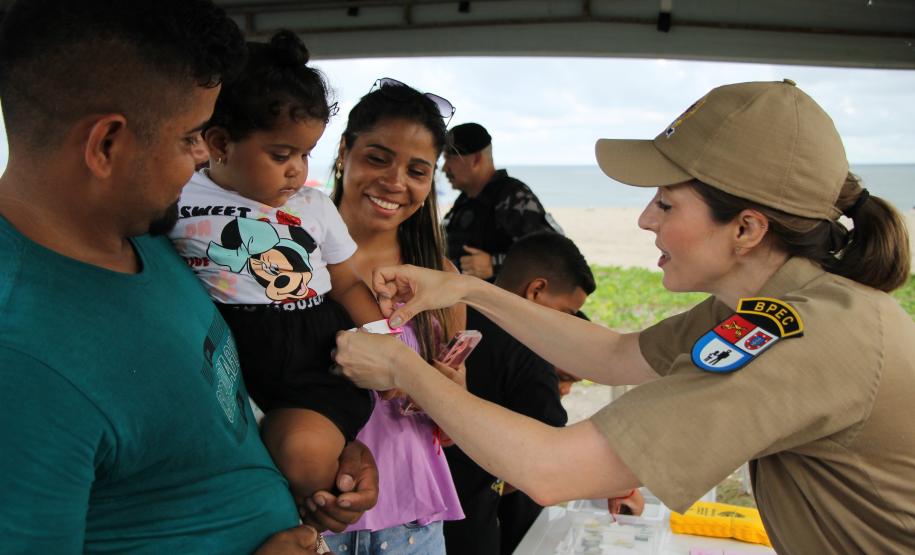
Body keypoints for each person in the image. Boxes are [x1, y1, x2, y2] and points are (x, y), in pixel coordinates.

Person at [335, 79, 915, 554]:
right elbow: (613, 356)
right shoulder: (780, 305)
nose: (643, 219)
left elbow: (550, 470)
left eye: (665, 203)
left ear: (746, 229)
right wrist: (466, 289)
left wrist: (402, 368)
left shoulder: (798, 337)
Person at [0, 2, 377, 553]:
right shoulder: (20, 362)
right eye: (191, 139)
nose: (205, 157)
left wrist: (337, 447)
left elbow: (218, 413)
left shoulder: (152, 243)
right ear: (106, 144)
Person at [169, 30, 383, 503]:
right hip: (224, 360)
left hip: (312, 358)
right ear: (220, 141)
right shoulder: (178, 194)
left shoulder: (315, 205)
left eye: (307, 154)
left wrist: (387, 345)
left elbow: (346, 283)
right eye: (282, 155)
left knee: (304, 461)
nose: (298, 171)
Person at [322, 78, 466, 554]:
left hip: (411, 527)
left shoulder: (440, 279)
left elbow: (454, 418)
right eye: (377, 158)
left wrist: (446, 391)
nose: (395, 182)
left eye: (417, 171)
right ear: (345, 150)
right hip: (308, 515)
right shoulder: (284, 258)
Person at [443, 231, 593, 555]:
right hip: (470, 528)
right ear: (536, 290)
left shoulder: (450, 314)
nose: (567, 326)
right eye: (566, 313)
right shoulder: (529, 349)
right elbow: (550, 462)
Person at [441, 122, 562, 281]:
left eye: (450, 158)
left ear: (476, 159)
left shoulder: (512, 196)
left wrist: (494, 265)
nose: (444, 168)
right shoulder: (466, 200)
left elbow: (552, 253)